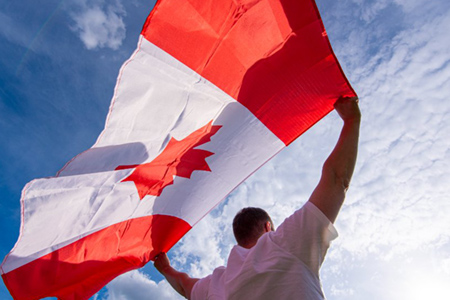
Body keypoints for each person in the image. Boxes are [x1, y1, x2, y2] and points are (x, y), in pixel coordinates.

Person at [154, 96, 361, 299]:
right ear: (267, 227)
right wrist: (352, 120)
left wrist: (165, 268)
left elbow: (183, 285)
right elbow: (336, 180)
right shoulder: (285, 243)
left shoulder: (215, 284)